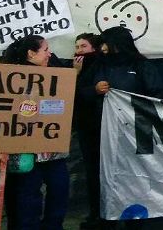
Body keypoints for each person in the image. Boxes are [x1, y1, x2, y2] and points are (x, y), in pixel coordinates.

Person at [79, 27, 163, 228]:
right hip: (100, 134)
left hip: (133, 134)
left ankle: (135, 217)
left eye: (106, 43)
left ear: (117, 44)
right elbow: (81, 92)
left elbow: (156, 95)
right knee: (101, 176)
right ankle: (103, 216)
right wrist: (94, 90)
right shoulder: (98, 65)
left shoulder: (142, 66)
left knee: (133, 177)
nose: (102, 47)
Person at [1, 35, 70, 230]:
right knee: (26, 200)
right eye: (45, 49)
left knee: (59, 191)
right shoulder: (10, 78)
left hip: (53, 150)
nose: (50, 53)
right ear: (31, 53)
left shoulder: (57, 74)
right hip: (24, 152)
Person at [71, 33, 103, 230]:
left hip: (96, 125)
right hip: (85, 126)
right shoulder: (78, 67)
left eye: (83, 46)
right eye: (77, 46)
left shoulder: (100, 66)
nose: (78, 50)